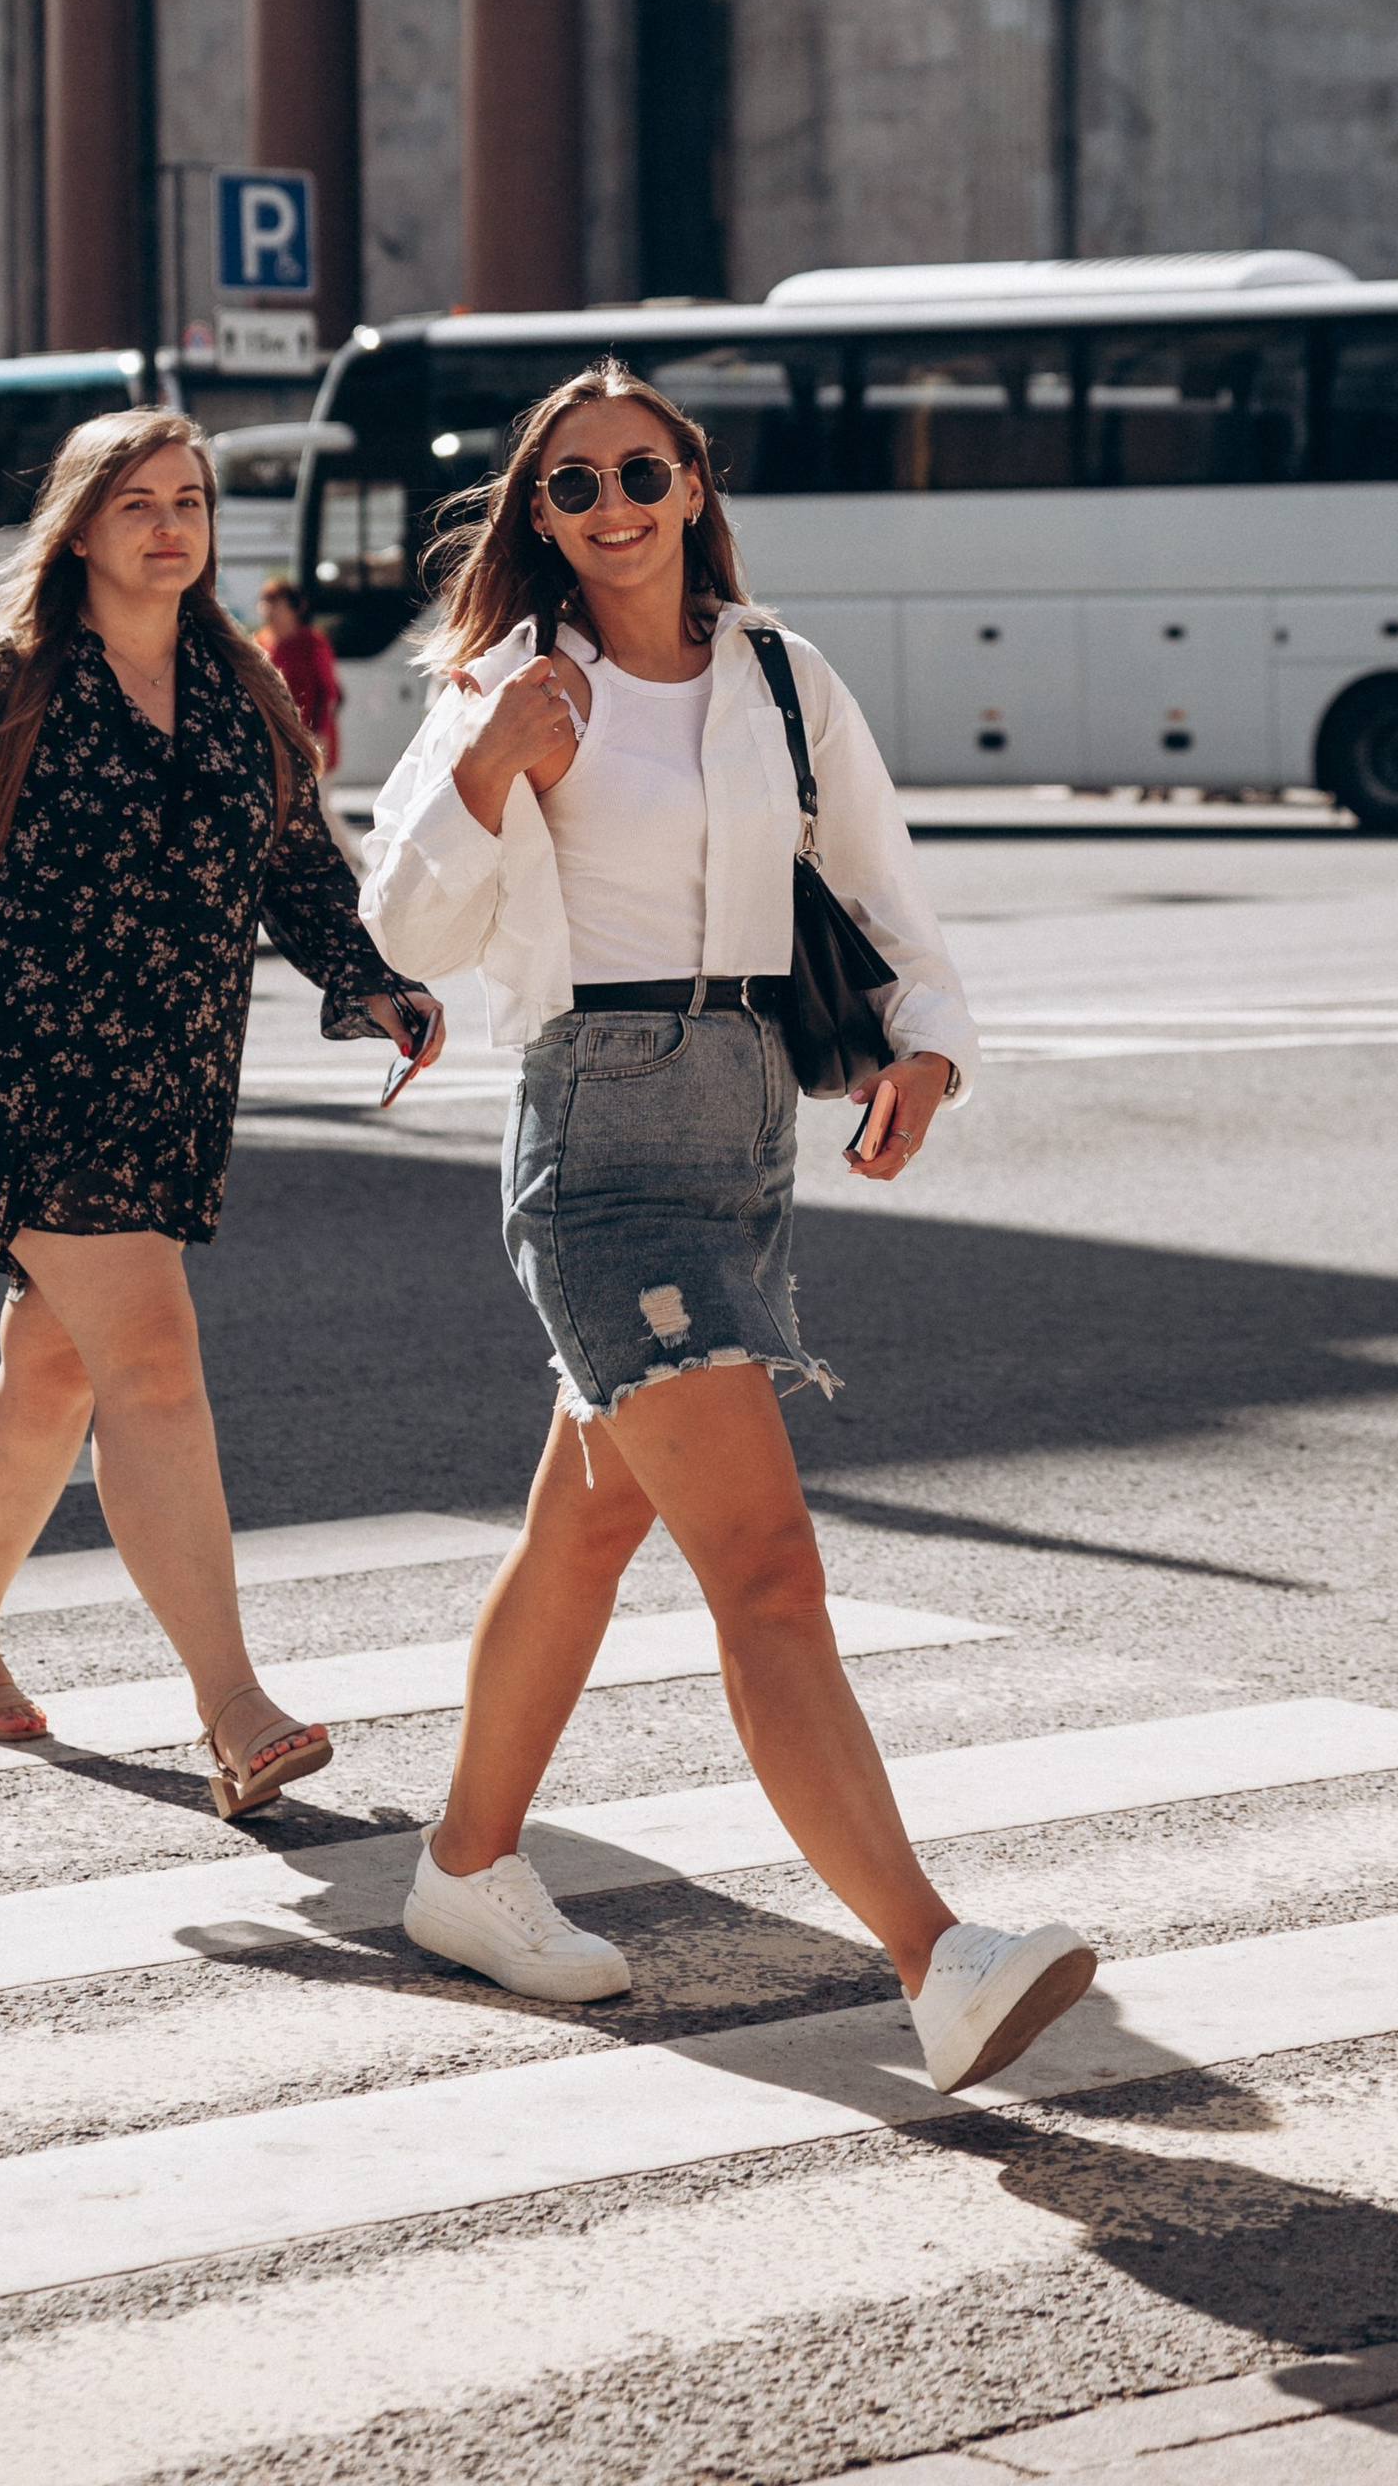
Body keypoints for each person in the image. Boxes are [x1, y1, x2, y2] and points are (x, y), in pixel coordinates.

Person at [361, 360, 1098, 2095]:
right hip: (599, 1136)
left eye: (638, 471)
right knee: (763, 1562)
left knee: (588, 1533)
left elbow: (880, 881)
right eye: (569, 486)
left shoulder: (779, 671)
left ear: (692, 480)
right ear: (534, 514)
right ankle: (936, 1958)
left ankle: (466, 1870)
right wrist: (482, 774)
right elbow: (404, 925)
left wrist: (930, 1046)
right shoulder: (507, 683)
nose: (609, 506)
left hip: (750, 1122)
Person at [0, 408, 440, 1820]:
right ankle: (235, 1708)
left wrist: (374, 982)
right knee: (153, 1365)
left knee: (58, 1369)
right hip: (21, 1073)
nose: (171, 524)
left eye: (189, 500)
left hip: (168, 1081)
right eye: (138, 501)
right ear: (78, 525)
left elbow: (300, 866)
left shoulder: (241, 686)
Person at [257, 576, 342, 773]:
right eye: (265, 602)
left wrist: (320, 734)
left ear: (294, 609)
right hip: (274, 742)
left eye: (276, 604)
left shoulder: (313, 642)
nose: (269, 610)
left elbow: (328, 691)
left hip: (312, 739)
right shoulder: (259, 643)